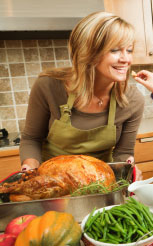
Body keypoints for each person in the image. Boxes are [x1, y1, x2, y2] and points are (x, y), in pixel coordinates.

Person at [20, 11, 145, 177]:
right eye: (115, 50)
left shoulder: (132, 99)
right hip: (52, 181)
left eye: (129, 50)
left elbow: (123, 152)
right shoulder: (48, 86)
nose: (126, 59)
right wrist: (30, 169)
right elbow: (31, 138)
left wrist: (127, 166)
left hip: (100, 182)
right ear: (89, 53)